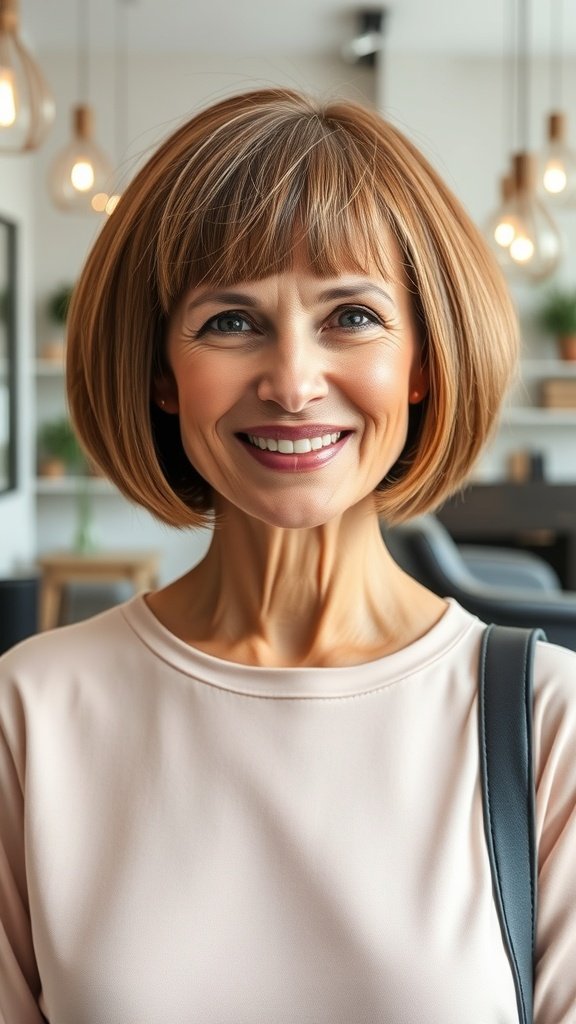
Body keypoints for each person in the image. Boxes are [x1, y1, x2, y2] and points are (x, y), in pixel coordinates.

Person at [1, 88, 575, 1024]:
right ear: (160, 372)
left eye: (351, 317)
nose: (293, 383)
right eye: (231, 321)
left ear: (424, 362)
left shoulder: (546, 727)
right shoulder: (31, 714)